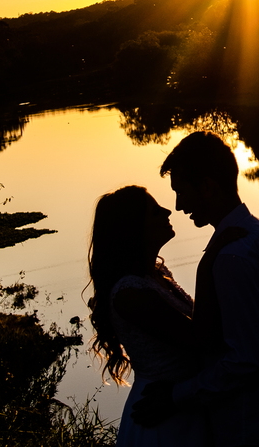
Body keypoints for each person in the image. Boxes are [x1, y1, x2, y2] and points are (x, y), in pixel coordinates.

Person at [132, 130, 259, 447]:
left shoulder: (231, 256)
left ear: (207, 187)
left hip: (249, 426)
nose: (177, 205)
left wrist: (177, 395)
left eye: (181, 191)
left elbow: (247, 358)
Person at [87, 185, 222, 447]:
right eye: (155, 211)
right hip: (160, 415)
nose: (167, 211)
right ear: (134, 228)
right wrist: (210, 262)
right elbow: (198, 337)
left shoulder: (156, 275)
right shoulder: (130, 293)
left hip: (181, 403)